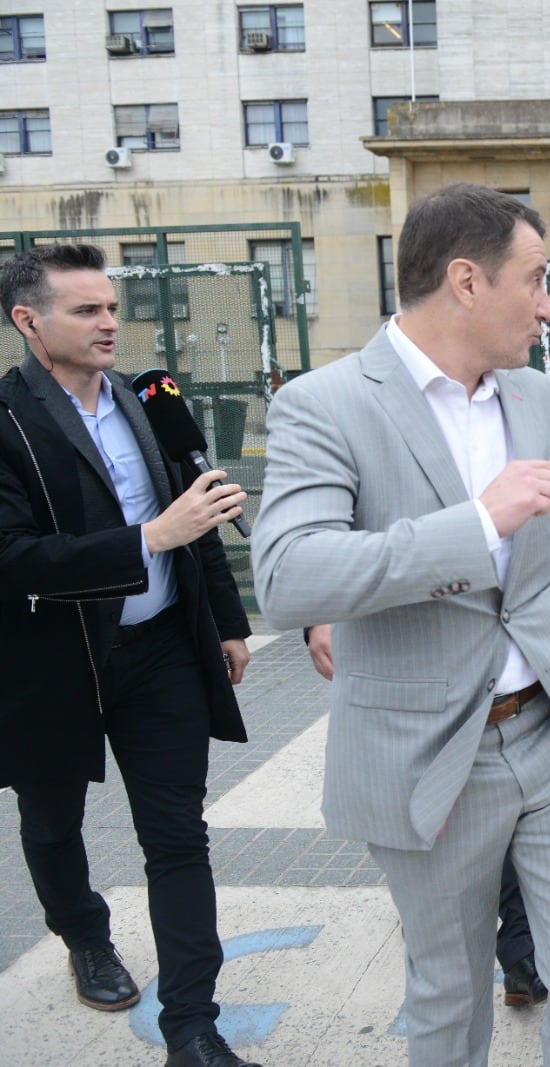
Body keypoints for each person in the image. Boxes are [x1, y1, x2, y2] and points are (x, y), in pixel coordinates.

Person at [252, 184, 550, 1067]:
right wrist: (476, 523)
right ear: (466, 280)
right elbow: (286, 576)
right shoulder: (325, 403)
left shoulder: (534, 395)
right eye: (536, 281)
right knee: (449, 995)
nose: (548, 306)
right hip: (428, 756)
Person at [0, 244, 261, 1067]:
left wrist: (225, 619)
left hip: (160, 657)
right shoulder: (5, 422)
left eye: (111, 307)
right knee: (51, 818)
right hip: (49, 664)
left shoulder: (149, 399)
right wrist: (148, 537)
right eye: (85, 310)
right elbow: (14, 557)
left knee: (178, 835)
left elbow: (197, 511)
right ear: (28, 321)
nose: (108, 322)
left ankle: (191, 1025)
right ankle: (83, 935)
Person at [304, 625, 547, 1008]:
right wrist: (319, 617)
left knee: (509, 812)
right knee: (450, 810)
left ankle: (520, 945)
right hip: (414, 676)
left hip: (513, 678)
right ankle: (513, 945)